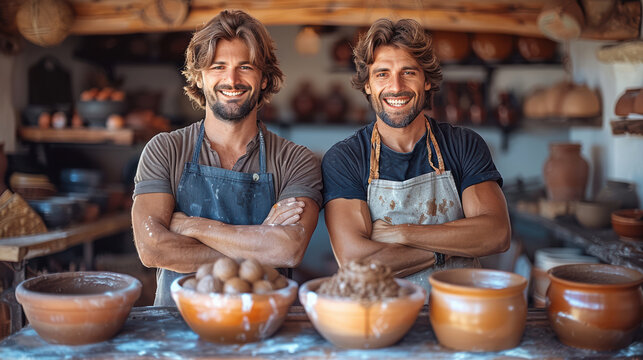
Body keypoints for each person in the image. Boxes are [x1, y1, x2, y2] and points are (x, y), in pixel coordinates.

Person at [132, 10, 322, 306]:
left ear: (263, 78)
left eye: (245, 67)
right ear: (200, 77)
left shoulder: (295, 161)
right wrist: (260, 243)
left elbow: (288, 250)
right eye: (218, 67)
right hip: (175, 330)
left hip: (264, 327)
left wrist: (190, 226)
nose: (231, 80)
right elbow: (152, 248)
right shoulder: (165, 150)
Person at [321, 18, 510, 294]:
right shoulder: (346, 158)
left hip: (462, 310)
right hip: (382, 315)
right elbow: (356, 261)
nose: (396, 86)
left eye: (408, 72)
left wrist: (403, 233)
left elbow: (496, 233)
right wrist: (446, 251)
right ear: (367, 85)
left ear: (427, 82)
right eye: (382, 74)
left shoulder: (464, 144)